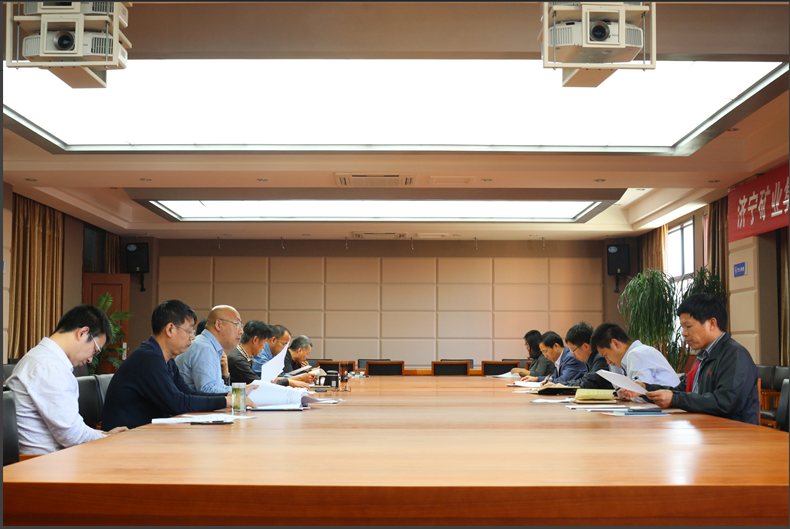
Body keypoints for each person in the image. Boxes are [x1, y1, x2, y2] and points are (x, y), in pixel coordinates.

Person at [101, 300, 256, 430]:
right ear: (170, 329)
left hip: (147, 432)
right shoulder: (148, 358)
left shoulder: (166, 359)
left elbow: (187, 393)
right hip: (127, 438)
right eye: (189, 331)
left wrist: (228, 396)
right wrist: (226, 401)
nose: (192, 337)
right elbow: (177, 403)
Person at [6, 304, 128, 454]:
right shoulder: (50, 367)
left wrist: (105, 435)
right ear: (82, 333)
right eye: (94, 350)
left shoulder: (42, 358)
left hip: (53, 458)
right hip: (46, 463)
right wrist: (107, 437)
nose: (90, 359)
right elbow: (71, 436)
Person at [640, 294, 759, 424]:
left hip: (732, 431)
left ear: (711, 323)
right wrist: (644, 389)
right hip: (705, 427)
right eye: (683, 327)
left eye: (688, 326)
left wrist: (675, 399)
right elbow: (682, 390)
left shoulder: (735, 355)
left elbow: (726, 402)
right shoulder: (704, 356)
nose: (684, 333)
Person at [175, 305, 248, 394]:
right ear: (218, 325)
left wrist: (244, 390)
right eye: (237, 324)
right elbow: (207, 391)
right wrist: (242, 392)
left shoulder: (209, 346)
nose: (241, 331)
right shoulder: (204, 348)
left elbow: (218, 387)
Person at [590, 322, 680, 393]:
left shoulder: (637, 354)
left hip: (672, 408)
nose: (607, 361)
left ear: (615, 344)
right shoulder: (630, 357)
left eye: (605, 355)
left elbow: (640, 393)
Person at [228, 321, 312, 388]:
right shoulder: (238, 360)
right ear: (255, 340)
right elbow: (259, 384)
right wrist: (288, 381)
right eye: (264, 342)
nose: (264, 346)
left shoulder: (244, 356)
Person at [544, 322, 613, 389]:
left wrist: (562, 385)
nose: (572, 354)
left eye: (573, 350)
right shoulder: (589, 359)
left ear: (586, 346)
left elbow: (588, 383)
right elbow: (583, 381)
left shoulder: (600, 358)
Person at [521, 331, 586, 384]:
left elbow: (563, 380)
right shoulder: (560, 357)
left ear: (556, 346)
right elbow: (555, 376)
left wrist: (547, 381)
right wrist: (537, 379)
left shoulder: (571, 358)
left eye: (545, 351)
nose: (545, 355)